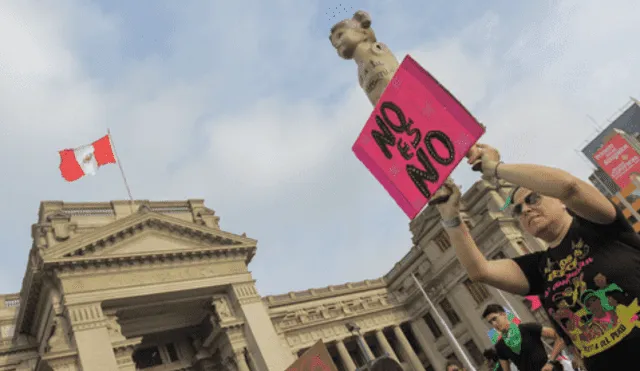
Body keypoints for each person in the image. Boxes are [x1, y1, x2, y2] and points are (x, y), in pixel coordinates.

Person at [432, 143, 640, 371]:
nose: (526, 210)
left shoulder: (599, 225)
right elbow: (479, 270)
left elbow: (569, 186)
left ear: (559, 201)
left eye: (532, 199)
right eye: (518, 210)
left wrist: (493, 168)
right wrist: (450, 215)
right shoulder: (540, 267)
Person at [482, 304, 565, 371]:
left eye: (494, 319)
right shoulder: (500, 346)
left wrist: (550, 362)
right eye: (490, 322)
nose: (494, 324)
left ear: (503, 314)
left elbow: (559, 338)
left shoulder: (527, 328)